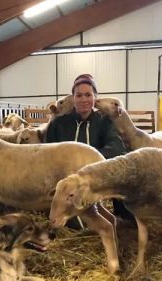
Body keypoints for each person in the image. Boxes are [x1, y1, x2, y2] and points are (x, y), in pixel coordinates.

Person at [46, 73, 136, 229]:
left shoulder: (105, 122)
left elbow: (116, 147)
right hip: (65, 180)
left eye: (88, 94)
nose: (83, 99)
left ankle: (124, 220)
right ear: (73, 98)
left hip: (94, 177)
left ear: (95, 97)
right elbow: (48, 153)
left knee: (123, 172)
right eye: (79, 95)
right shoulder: (59, 124)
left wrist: (88, 166)